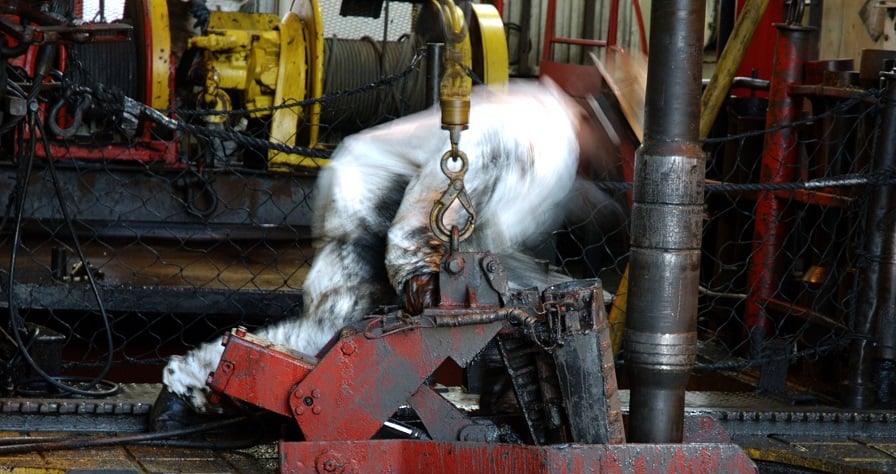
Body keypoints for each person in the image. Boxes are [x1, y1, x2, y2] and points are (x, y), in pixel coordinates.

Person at [156, 78, 612, 420]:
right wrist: (418, 271)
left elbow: (482, 229)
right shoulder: (536, 136)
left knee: (373, 343)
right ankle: (188, 384)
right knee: (335, 336)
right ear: (602, 125)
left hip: (404, 208)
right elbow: (437, 198)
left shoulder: (548, 128)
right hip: (375, 198)